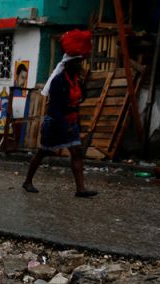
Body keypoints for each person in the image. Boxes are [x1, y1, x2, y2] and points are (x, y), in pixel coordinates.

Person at [23, 29, 97, 198]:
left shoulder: (76, 81)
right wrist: (66, 126)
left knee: (76, 152)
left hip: (70, 122)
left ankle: (81, 189)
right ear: (69, 64)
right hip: (56, 124)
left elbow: (76, 103)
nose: (80, 65)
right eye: (78, 62)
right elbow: (54, 109)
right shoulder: (59, 81)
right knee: (44, 152)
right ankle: (27, 181)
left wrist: (76, 124)